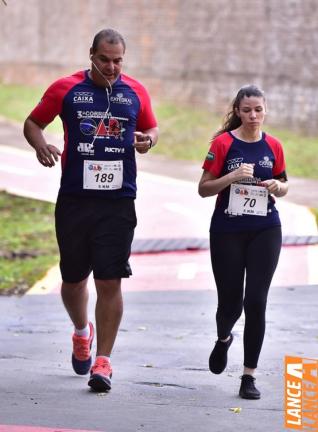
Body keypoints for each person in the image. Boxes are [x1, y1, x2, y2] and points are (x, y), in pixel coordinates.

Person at [23, 28, 159, 392]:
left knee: (109, 279)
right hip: (75, 199)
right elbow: (33, 122)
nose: (112, 68)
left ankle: (104, 361)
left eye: (118, 61)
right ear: (91, 56)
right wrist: (41, 146)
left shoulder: (135, 91)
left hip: (118, 201)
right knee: (72, 279)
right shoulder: (65, 89)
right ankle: (82, 331)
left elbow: (151, 128)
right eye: (104, 60)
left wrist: (148, 141)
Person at [198, 85, 288, 399]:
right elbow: (204, 188)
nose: (253, 116)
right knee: (231, 304)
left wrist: (278, 186)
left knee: (256, 302)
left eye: (258, 110)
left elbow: (284, 183)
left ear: (265, 111)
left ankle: (248, 376)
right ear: (237, 111)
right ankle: (224, 338)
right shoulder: (222, 144)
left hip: (266, 228)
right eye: (247, 110)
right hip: (227, 230)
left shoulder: (273, 145)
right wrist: (232, 176)